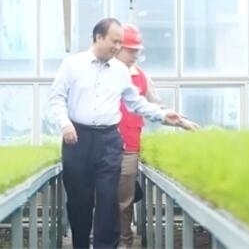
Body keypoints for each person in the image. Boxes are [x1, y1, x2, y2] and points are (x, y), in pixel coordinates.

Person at [49, 17, 189, 249]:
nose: (118, 47)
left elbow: (136, 103)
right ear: (98, 37)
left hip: (109, 141)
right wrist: (65, 124)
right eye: (114, 41)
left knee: (108, 200)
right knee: (79, 201)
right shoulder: (72, 64)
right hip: (77, 139)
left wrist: (164, 115)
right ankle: (80, 244)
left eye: (120, 42)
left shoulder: (120, 71)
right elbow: (57, 97)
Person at [114, 24, 198, 248]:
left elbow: (157, 107)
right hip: (99, 146)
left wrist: (181, 121)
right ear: (117, 47)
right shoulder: (101, 72)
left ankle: (124, 241)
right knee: (100, 197)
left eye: (137, 50)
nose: (135, 55)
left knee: (124, 199)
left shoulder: (142, 77)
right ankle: (103, 238)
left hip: (129, 146)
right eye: (131, 50)